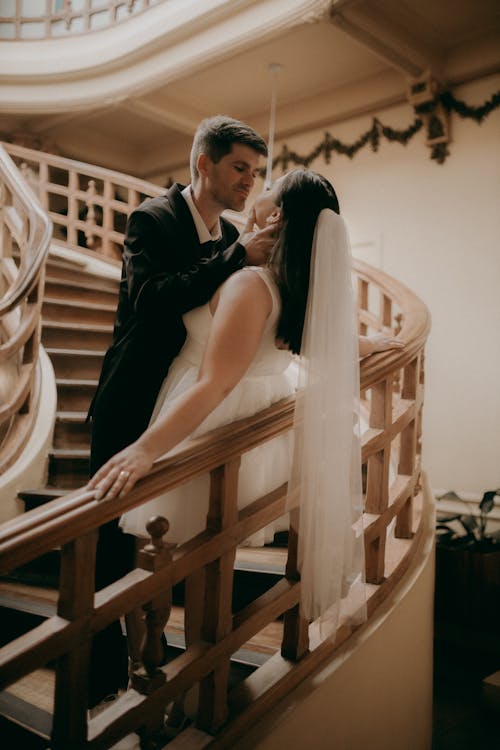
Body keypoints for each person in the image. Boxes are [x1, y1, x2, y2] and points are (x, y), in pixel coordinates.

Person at [88, 169, 404, 638]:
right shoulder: (294, 284)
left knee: (170, 558)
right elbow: (317, 337)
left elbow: (214, 382)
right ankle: (194, 687)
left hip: (208, 416)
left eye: (270, 187)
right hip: (253, 409)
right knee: (212, 556)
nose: (259, 186)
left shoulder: (251, 285)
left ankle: (169, 683)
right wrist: (369, 342)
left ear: (277, 214)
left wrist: (146, 448)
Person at [87, 115, 275, 708]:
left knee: (172, 539)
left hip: (182, 402)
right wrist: (237, 256)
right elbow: (152, 302)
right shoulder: (153, 217)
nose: (249, 181)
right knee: (105, 546)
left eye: (256, 172)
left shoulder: (225, 239)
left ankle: (156, 659)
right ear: (204, 163)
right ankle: (98, 684)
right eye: (239, 168)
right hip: (131, 398)